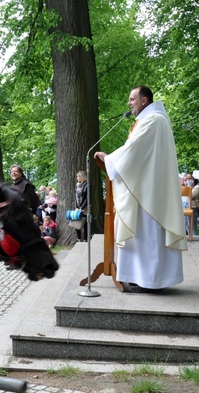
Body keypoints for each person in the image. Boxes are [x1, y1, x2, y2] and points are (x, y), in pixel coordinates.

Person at [94, 86, 187, 293]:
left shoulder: (153, 120)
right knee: (145, 236)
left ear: (144, 100)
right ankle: (143, 278)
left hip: (149, 190)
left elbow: (133, 150)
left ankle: (151, 280)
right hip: (147, 185)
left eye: (132, 99)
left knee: (148, 235)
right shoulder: (151, 120)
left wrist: (109, 159)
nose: (129, 103)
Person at [75, 170, 89, 242]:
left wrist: (82, 207)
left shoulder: (87, 185)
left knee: (85, 223)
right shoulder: (78, 185)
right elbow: (76, 197)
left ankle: (86, 238)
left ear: (81, 177)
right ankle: (79, 238)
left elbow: (87, 198)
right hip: (78, 207)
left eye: (78, 177)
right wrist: (76, 207)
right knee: (76, 221)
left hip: (85, 208)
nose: (77, 178)